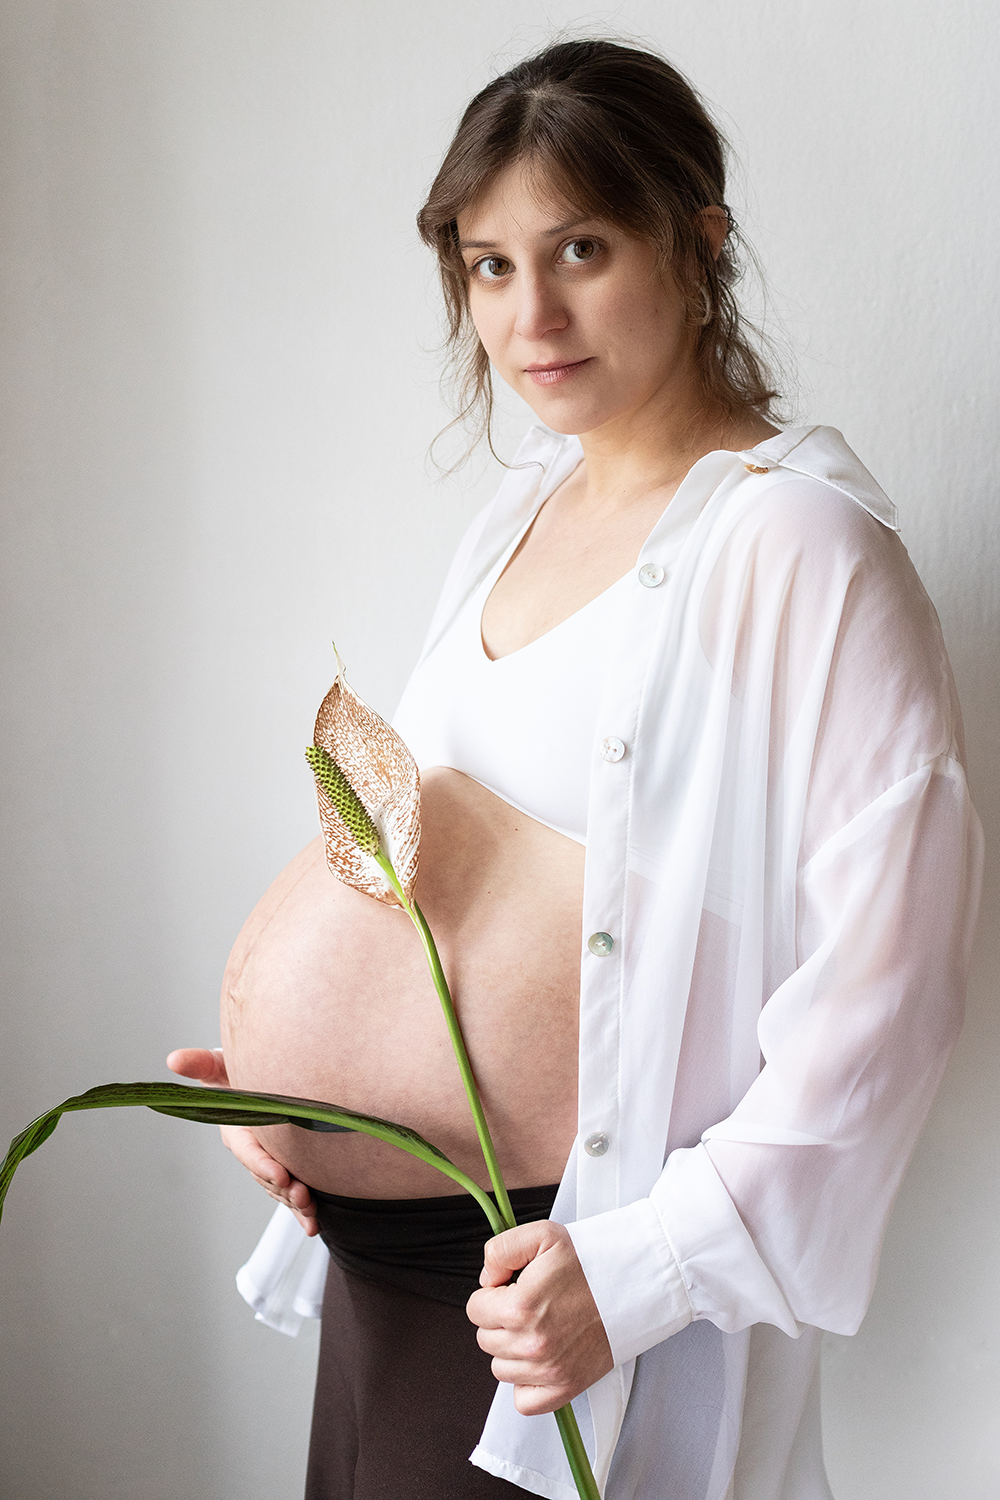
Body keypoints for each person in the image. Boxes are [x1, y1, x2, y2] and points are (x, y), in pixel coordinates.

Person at [168, 38, 983, 1500]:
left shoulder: (802, 551)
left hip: (567, 1302)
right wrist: (298, 1103)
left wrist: (640, 1273)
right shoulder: (520, 513)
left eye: (581, 249)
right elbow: (439, 889)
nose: (528, 313)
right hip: (394, 1283)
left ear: (701, 242)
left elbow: (889, 997)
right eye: (487, 266)